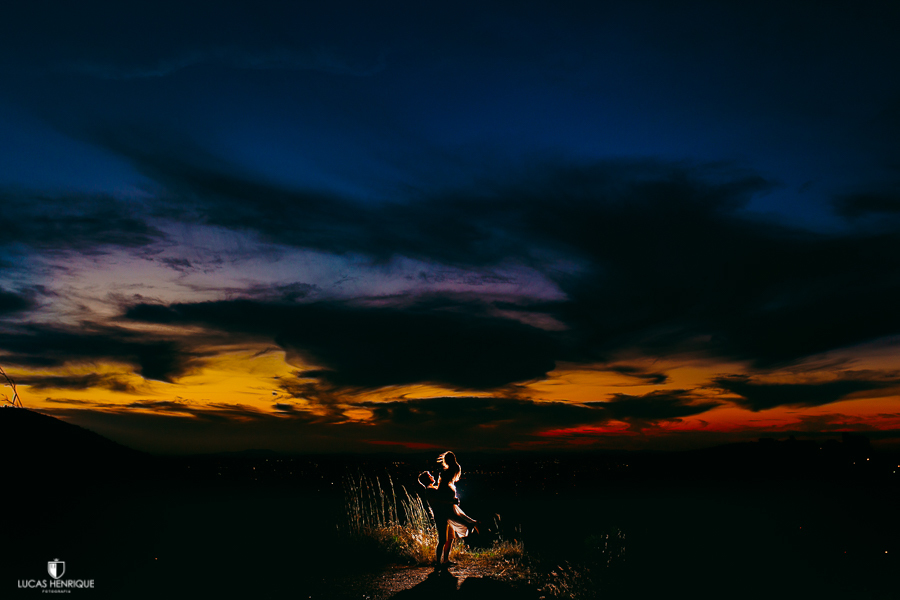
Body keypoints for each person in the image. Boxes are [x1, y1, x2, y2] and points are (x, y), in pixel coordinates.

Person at [434, 451, 479, 567]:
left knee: (449, 536)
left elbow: (441, 495)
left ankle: (444, 561)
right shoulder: (450, 475)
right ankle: (470, 523)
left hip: (446, 501)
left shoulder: (447, 476)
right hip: (446, 503)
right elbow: (440, 498)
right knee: (446, 535)